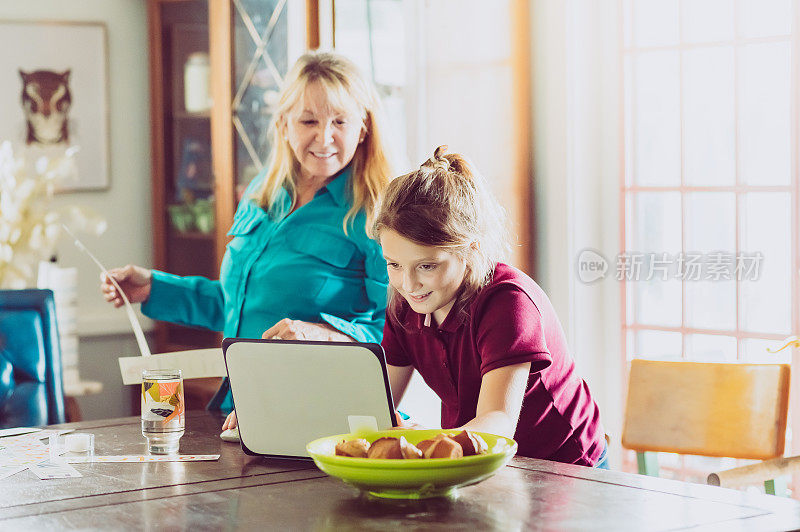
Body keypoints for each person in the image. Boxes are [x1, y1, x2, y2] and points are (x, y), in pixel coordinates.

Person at [101, 52, 393, 427]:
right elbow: (236, 305)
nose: (325, 137)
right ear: (284, 124)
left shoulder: (378, 214)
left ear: (364, 128)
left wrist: (323, 334)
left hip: (314, 411)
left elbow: (398, 334)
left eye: (340, 121)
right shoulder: (262, 193)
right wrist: (153, 288)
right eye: (308, 120)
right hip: (237, 407)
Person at [374, 146, 607, 467]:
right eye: (394, 264)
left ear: (470, 250)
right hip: (485, 464)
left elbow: (498, 419)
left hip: (565, 466)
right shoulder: (404, 302)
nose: (408, 283)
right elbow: (379, 408)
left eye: (427, 266)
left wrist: (424, 443)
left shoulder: (509, 302)